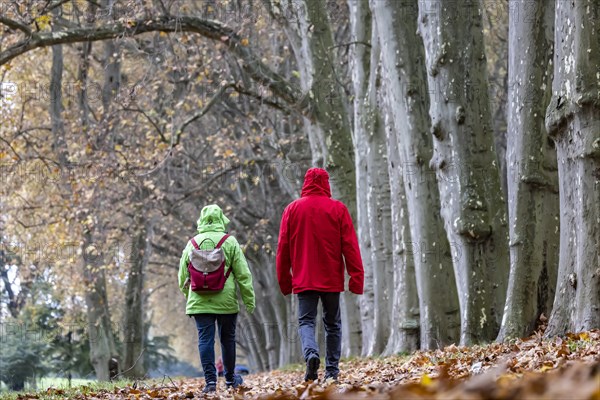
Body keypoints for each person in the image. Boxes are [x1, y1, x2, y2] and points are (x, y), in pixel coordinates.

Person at [276, 168, 364, 382]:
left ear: (305, 183)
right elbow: (350, 246)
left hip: (304, 278)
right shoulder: (338, 209)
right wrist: (356, 277)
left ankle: (311, 354)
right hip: (331, 278)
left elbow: (282, 249)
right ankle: (332, 371)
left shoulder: (292, 209)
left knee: (306, 321)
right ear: (326, 183)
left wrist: (285, 282)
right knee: (332, 323)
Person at [179, 204, 255, 394]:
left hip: (199, 301)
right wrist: (248, 299)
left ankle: (210, 382)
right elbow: (243, 274)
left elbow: (181, 276)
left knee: (205, 340)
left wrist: (189, 296)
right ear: (222, 219)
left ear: (201, 221)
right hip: (226, 301)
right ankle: (230, 380)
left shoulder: (192, 243)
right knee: (227, 339)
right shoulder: (229, 242)